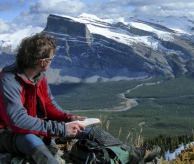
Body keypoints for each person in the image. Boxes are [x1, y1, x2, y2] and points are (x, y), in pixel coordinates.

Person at [0, 33, 160, 164]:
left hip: (34, 125)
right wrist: (62, 129)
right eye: (51, 59)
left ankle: (133, 155)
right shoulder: (8, 80)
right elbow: (17, 121)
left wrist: (69, 118)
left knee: (85, 127)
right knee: (29, 140)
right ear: (42, 62)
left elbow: (49, 105)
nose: (52, 62)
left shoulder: (39, 76)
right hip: (7, 133)